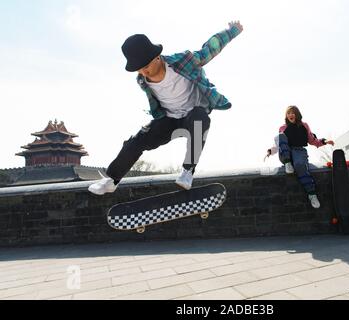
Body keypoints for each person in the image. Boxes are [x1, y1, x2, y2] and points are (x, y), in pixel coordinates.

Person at [89, 21, 244, 195]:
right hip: (169, 120)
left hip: (192, 116)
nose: (144, 73)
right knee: (136, 140)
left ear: (157, 57)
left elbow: (209, 49)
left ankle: (187, 171)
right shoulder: (142, 80)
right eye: (139, 70)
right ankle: (111, 180)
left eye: (146, 67)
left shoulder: (183, 61)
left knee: (200, 119)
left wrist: (233, 30)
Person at [266, 106, 335, 208]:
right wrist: (270, 151)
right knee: (279, 136)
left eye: (293, 113)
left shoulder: (304, 126)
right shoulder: (283, 128)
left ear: (297, 114)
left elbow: (312, 140)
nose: (291, 115)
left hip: (299, 151)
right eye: (289, 113)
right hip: (286, 152)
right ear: (286, 115)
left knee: (300, 165)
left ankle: (312, 194)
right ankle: (288, 163)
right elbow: (278, 144)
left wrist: (324, 141)